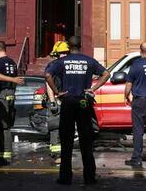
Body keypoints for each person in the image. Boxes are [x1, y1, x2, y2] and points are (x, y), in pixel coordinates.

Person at [45, 35, 110, 186]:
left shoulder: (61, 62)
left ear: (68, 47)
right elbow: (107, 73)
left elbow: (48, 74)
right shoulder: (88, 61)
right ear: (80, 46)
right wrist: (92, 88)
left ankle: (65, 177)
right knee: (86, 141)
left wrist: (56, 92)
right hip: (83, 102)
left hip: (68, 101)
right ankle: (89, 177)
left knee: (66, 141)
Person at [0, 41, 18, 166]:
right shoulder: (12, 62)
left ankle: (2, 155)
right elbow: (15, 80)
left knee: (0, 126)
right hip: (11, 93)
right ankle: (4, 154)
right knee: (6, 125)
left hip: (1, 94)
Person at [46, 40, 71, 163]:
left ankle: (65, 153)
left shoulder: (69, 65)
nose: (64, 55)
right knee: (55, 126)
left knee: (67, 128)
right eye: (62, 53)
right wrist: (52, 102)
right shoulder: (53, 66)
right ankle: (56, 154)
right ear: (56, 54)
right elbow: (49, 84)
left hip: (68, 100)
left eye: (66, 53)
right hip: (57, 100)